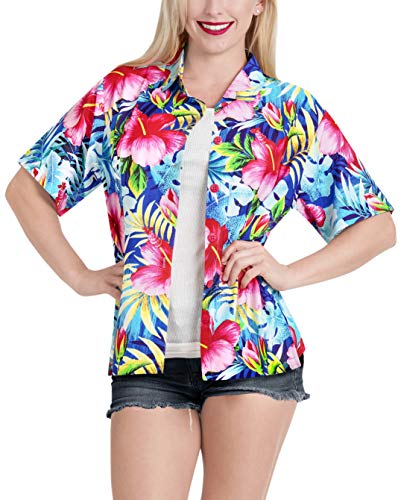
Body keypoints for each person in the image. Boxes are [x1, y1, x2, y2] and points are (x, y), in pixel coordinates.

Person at [5, 0, 396, 498]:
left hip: (251, 352)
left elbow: (377, 225)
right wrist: (80, 277)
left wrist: (287, 272)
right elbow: (27, 189)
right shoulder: (124, 95)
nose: (214, 8)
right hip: (146, 354)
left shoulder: (289, 110)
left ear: (259, 5)